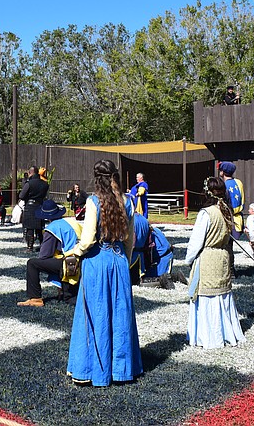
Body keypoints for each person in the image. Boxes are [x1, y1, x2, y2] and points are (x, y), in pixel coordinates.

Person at [66, 159, 142, 386]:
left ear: (96, 178)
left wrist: (75, 252)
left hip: (97, 261)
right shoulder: (128, 201)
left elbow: (88, 239)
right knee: (119, 314)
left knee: (96, 313)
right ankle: (121, 369)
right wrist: (124, 262)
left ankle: (92, 369)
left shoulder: (93, 201)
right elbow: (129, 240)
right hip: (119, 260)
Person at [185, 177, 245, 349]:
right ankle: (226, 332)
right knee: (222, 295)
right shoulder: (226, 211)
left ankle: (208, 336)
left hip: (208, 258)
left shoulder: (207, 213)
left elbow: (197, 241)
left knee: (208, 296)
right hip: (223, 256)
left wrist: (189, 259)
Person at [17, 199, 80, 306]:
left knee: (32, 263)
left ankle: (35, 298)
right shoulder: (71, 222)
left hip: (71, 263)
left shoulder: (52, 228)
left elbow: (44, 255)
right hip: (84, 260)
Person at [19, 166, 49, 252]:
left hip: (30, 206)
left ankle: (30, 247)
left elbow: (21, 196)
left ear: (30, 173)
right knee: (40, 227)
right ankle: (43, 245)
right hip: (40, 206)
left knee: (30, 227)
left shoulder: (29, 183)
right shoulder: (45, 184)